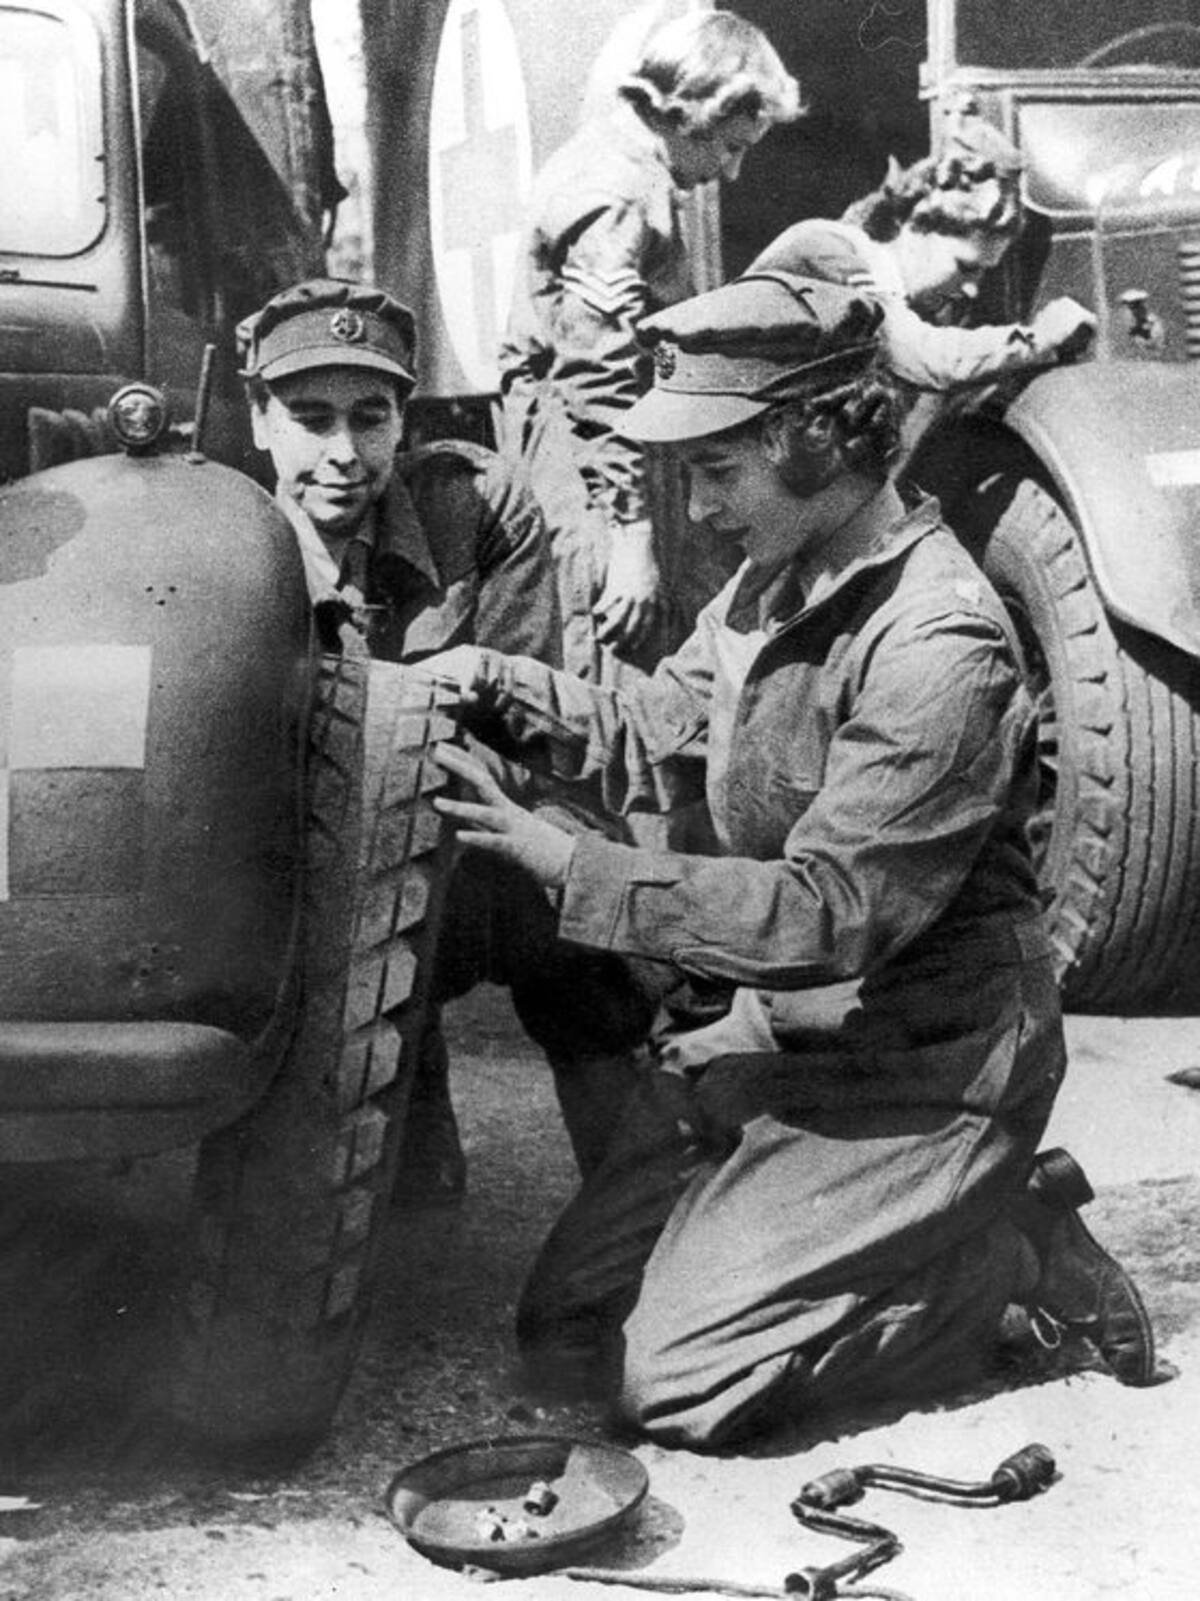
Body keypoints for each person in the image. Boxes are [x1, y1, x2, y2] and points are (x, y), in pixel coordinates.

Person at [427, 269, 1155, 1448]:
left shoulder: (939, 640)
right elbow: (658, 726)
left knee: (678, 1381)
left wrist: (568, 865)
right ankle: (836, 1221)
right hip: (795, 1034)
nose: (700, 506)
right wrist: (499, 685)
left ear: (816, 438)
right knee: (568, 1332)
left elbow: (831, 911)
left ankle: (1005, 1256)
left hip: (929, 1061)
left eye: (717, 469)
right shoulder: (773, 581)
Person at [238, 278, 656, 1198]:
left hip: (467, 825)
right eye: (311, 418)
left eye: (370, 417)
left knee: (577, 920)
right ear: (260, 420)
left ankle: (641, 1209)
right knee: (388, 1180)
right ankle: (404, 1134)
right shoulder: (227, 542)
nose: (343, 453)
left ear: (403, 419)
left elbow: (528, 729)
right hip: (312, 867)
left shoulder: (472, 505)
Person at [497, 8, 801, 683]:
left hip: (619, 454)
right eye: (730, 147)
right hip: (591, 467)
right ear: (692, 114)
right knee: (612, 654)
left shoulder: (625, 167)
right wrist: (631, 537)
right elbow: (597, 373)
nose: (732, 171)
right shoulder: (616, 190)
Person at [749, 110, 1096, 453]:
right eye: (965, 266)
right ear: (915, 225)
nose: (973, 288)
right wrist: (1038, 338)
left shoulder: (908, 307)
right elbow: (921, 358)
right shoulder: (829, 249)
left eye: (983, 272)